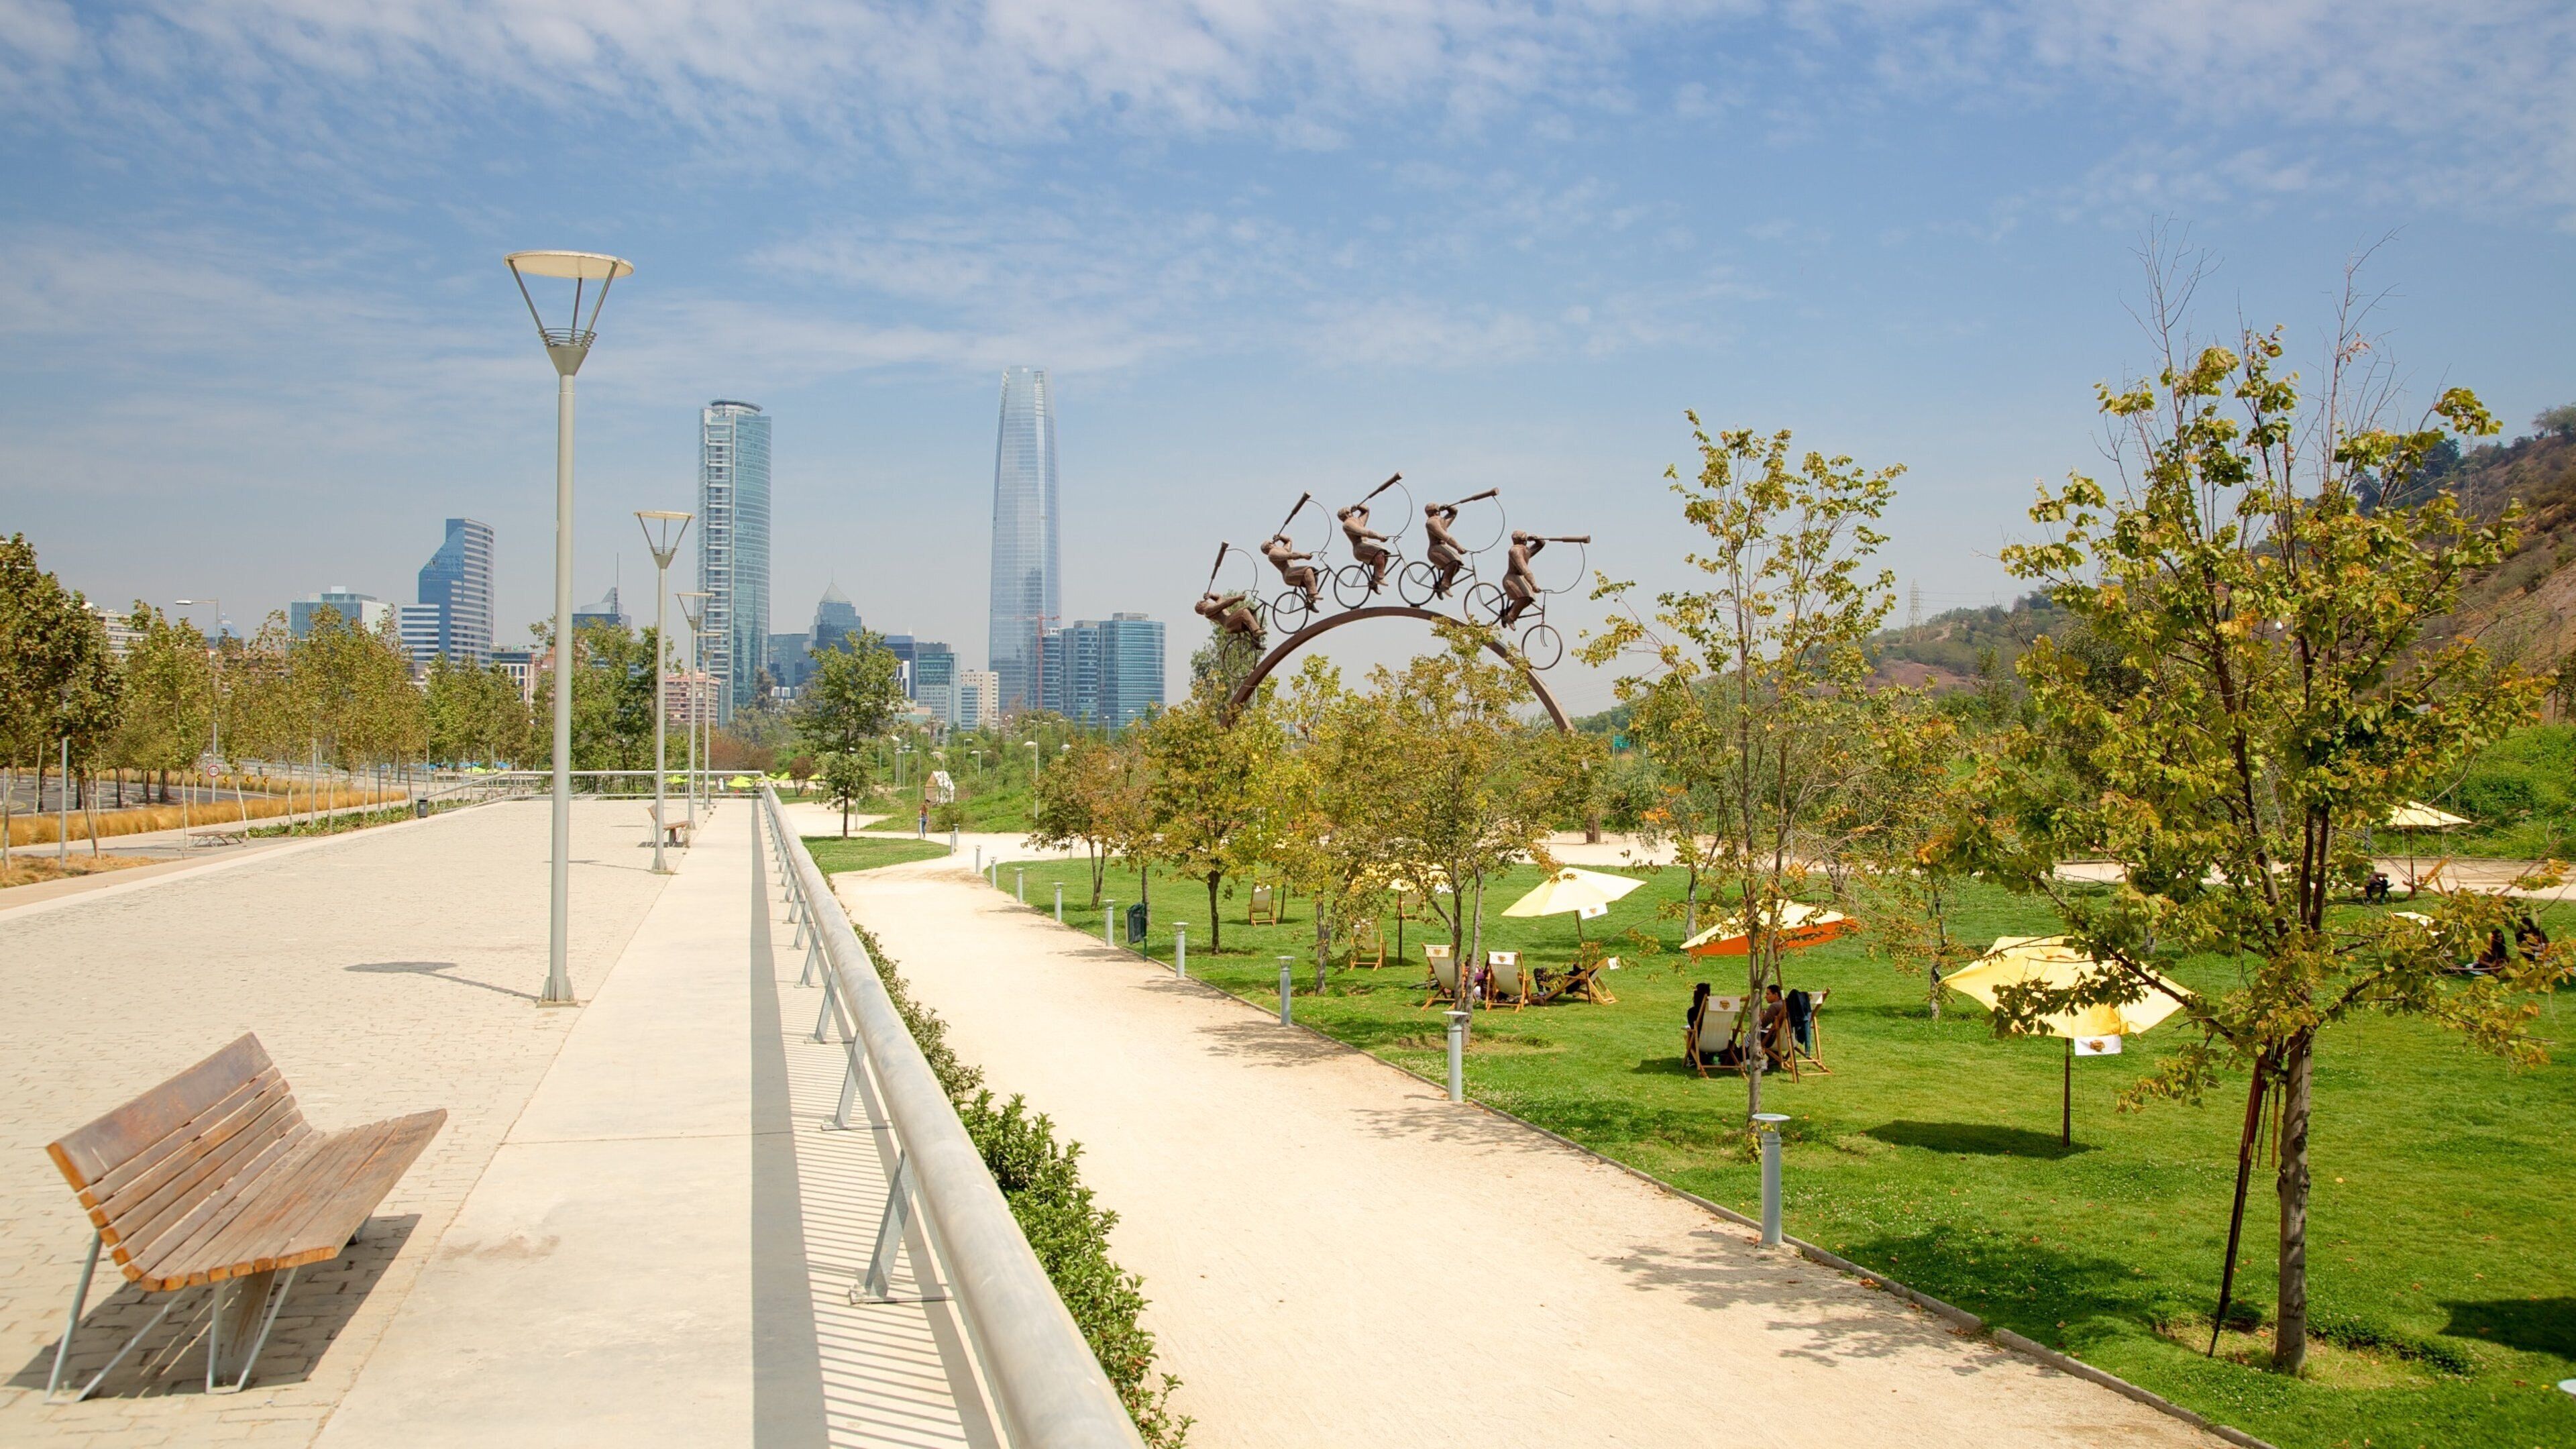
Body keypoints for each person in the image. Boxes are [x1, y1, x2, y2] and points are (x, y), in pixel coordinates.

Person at [1338, 500, 1393, 593]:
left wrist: (1358, 506)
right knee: (1380, 552)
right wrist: (1378, 536)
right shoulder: (1347, 524)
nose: (1349, 515)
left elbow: (1366, 511)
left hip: (1365, 546)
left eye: (1349, 512)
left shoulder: (1357, 521)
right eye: (1346, 514)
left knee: (1385, 555)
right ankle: (1379, 578)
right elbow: (1364, 532)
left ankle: (1374, 581)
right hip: (1360, 548)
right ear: (1342, 518)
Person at [1498, 530, 1548, 628]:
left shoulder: (1525, 550)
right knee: (1525, 597)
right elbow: (1524, 569)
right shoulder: (1515, 551)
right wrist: (1534, 585)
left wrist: (1537, 539)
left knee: (1529, 599)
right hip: (1511, 579)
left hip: (1519, 578)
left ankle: (1506, 612)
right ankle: (1510, 617)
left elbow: (1541, 545)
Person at [1260, 532, 1321, 608]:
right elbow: (1289, 555)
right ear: (1268, 547)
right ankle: (1313, 594)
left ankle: (1310, 601)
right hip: (1289, 574)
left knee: (1314, 573)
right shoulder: (1272, 554)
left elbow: (1289, 541)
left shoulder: (1282, 550)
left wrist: (1280, 537)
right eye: (1270, 543)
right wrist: (1304, 556)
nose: (1273, 543)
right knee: (1308, 570)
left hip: (1293, 572)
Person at [1422, 501, 1468, 597]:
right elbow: (1445, 536)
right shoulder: (1431, 522)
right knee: (1453, 562)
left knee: (1457, 565)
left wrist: (1448, 508)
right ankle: (1445, 585)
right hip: (1435, 550)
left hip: (1442, 548)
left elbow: (1454, 513)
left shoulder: (1441, 521)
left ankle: (1440, 584)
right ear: (1436, 511)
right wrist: (1458, 547)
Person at [1194, 589, 1263, 642]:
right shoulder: (1208, 611)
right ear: (1201, 609)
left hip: (1231, 620)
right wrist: (1237, 598)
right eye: (1201, 603)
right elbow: (1224, 604)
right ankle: (1256, 631)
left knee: (1251, 612)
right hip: (1228, 623)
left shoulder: (1213, 606)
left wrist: (1211, 595)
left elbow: (1220, 598)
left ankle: (1256, 642)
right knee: (1244, 611)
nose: (1203, 601)